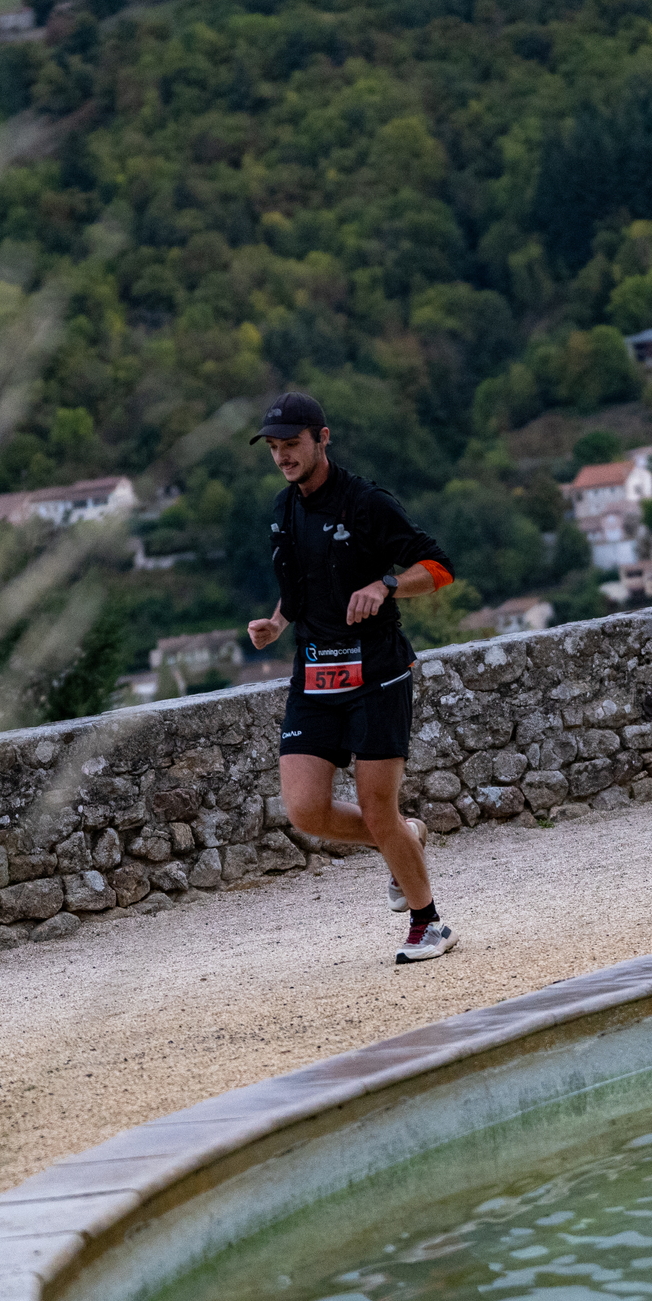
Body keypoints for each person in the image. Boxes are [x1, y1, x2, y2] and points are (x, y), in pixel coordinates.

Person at [246, 391, 460, 964]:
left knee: (375, 807)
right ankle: (405, 838)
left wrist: (387, 585)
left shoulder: (366, 503)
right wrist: (276, 623)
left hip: (377, 674)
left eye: (292, 444)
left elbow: (439, 567)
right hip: (314, 676)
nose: (282, 456)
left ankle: (429, 924)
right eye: (273, 447)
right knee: (305, 811)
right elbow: (300, 589)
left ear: (323, 438)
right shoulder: (282, 509)